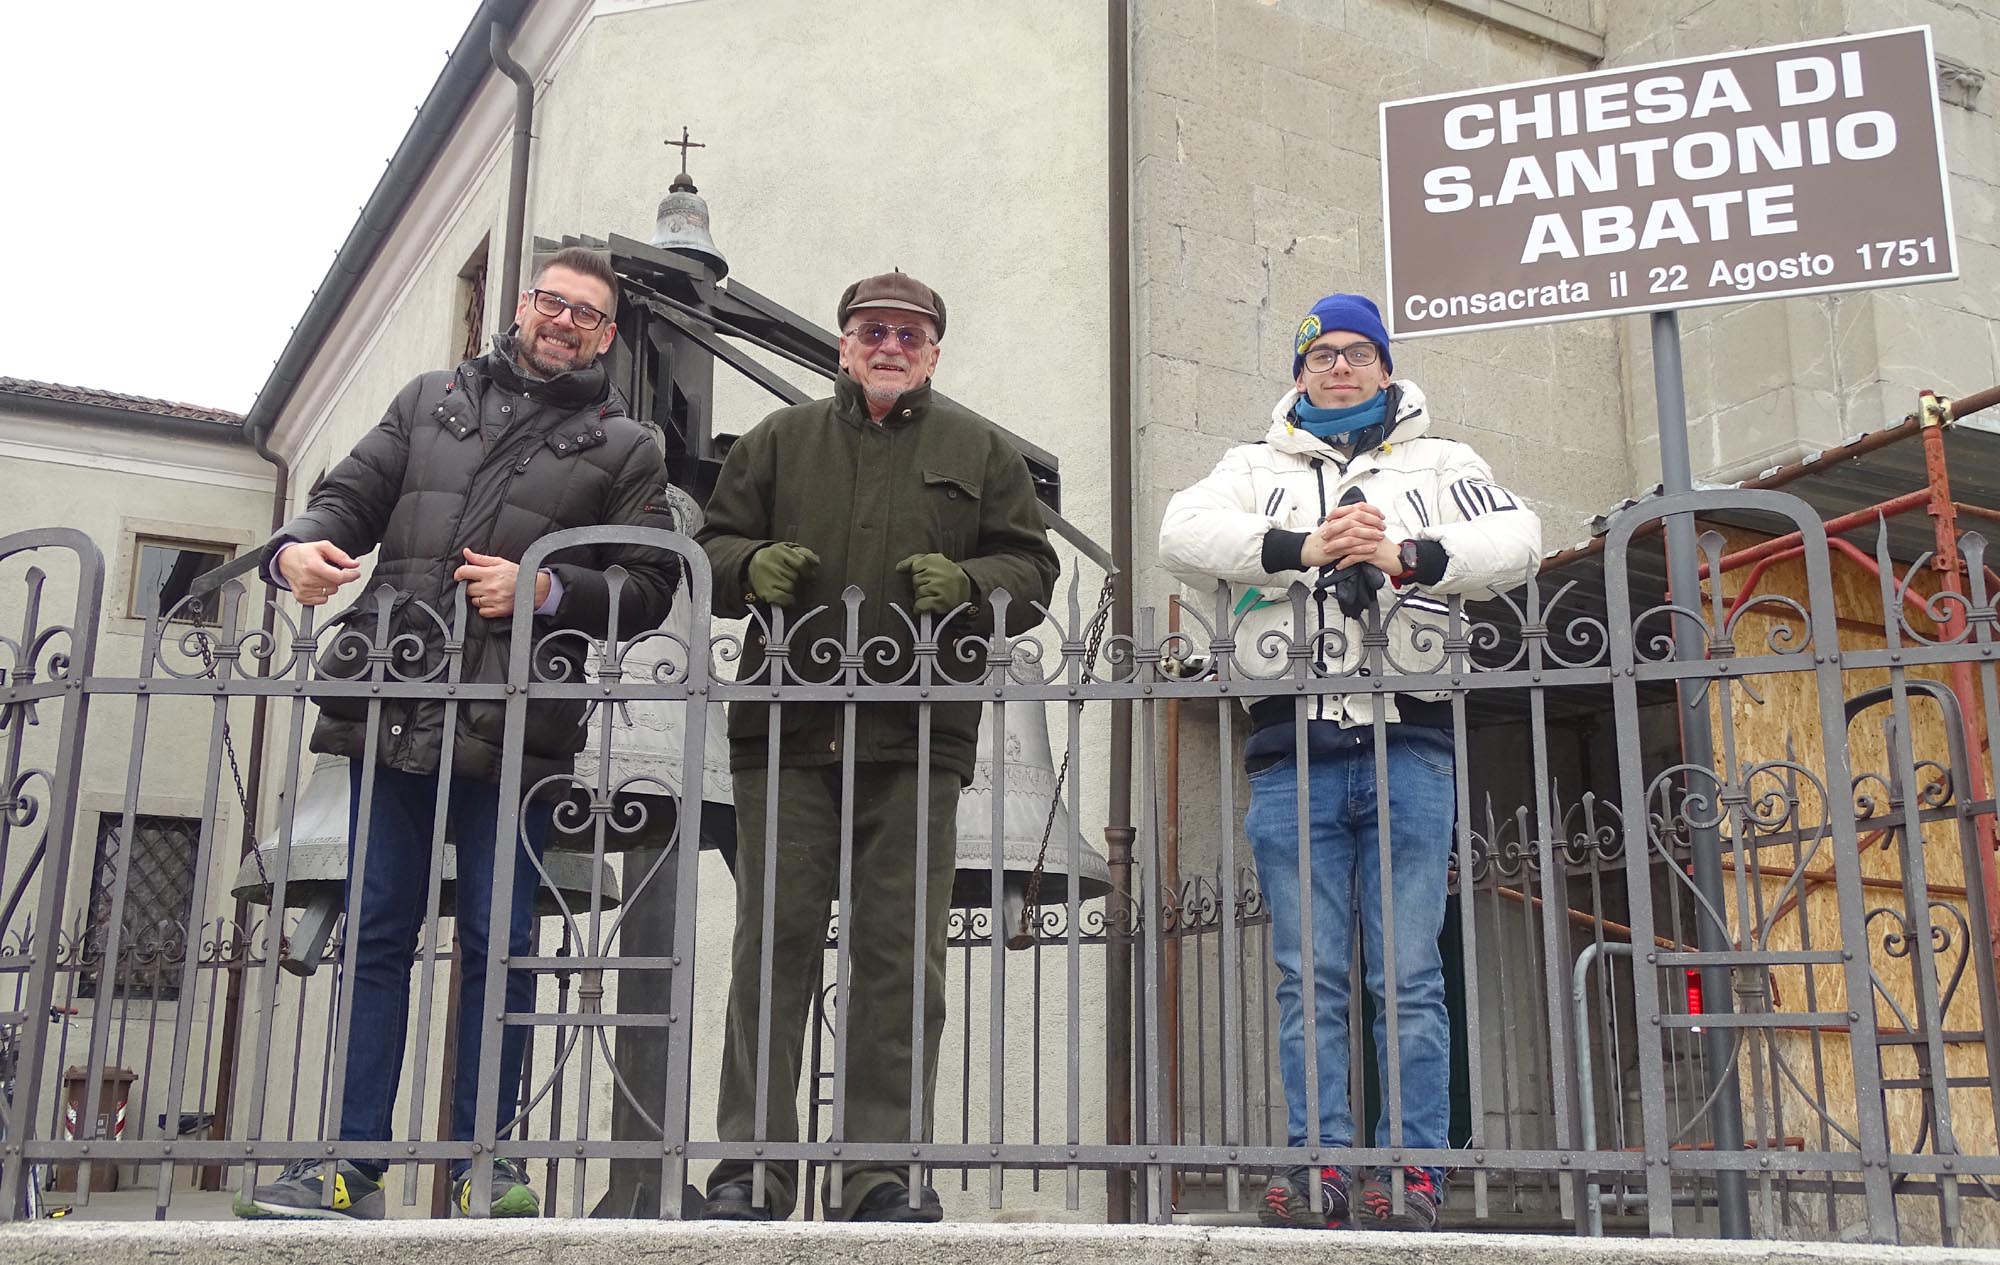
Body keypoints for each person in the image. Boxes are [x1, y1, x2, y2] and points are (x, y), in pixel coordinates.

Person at [236, 247, 681, 1220]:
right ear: (522, 306)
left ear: (606, 337)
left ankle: (487, 1161)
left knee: (501, 941)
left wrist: (545, 587)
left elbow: (650, 587)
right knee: (377, 932)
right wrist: (294, 550)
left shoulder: (626, 447)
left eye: (587, 315)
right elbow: (346, 501)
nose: (563, 322)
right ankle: (349, 1165)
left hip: (517, 722)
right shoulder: (428, 401)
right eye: (552, 302)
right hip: (396, 696)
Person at [1157, 293, 1541, 1232]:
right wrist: (1304, 546)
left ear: (1385, 366)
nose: (1339, 367)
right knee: (1311, 975)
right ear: (1299, 373)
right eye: (1322, 354)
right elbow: (1180, 532)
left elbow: (1519, 538)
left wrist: (1407, 553)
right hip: (1291, 747)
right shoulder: (1252, 466)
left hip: (1410, 741)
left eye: (1357, 352)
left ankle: (1411, 1171)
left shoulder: (1441, 462)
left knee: (1409, 975)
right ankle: (1318, 1166)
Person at [696, 271, 1059, 1222]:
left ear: (933, 351)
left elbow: (1033, 568)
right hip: (785, 733)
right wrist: (749, 565)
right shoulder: (779, 441)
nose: (889, 345)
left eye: (908, 333)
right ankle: (753, 1171)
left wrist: (972, 584)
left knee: (899, 958)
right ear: (844, 344)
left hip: (917, 737)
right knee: (772, 949)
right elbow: (710, 550)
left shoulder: (980, 449)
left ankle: (879, 1174)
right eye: (872, 330)